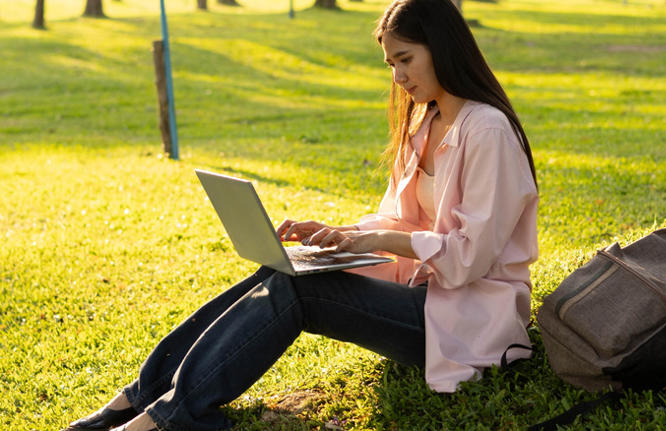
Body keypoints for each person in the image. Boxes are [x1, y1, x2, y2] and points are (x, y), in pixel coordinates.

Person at [62, 0, 538, 430]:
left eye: (406, 60)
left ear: (441, 47)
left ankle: (166, 418)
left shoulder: (488, 132)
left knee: (297, 289)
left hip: (467, 322)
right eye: (391, 64)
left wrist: (374, 244)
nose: (397, 77)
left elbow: (469, 257)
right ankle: (142, 395)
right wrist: (337, 235)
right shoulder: (425, 121)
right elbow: (402, 221)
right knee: (286, 267)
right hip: (425, 298)